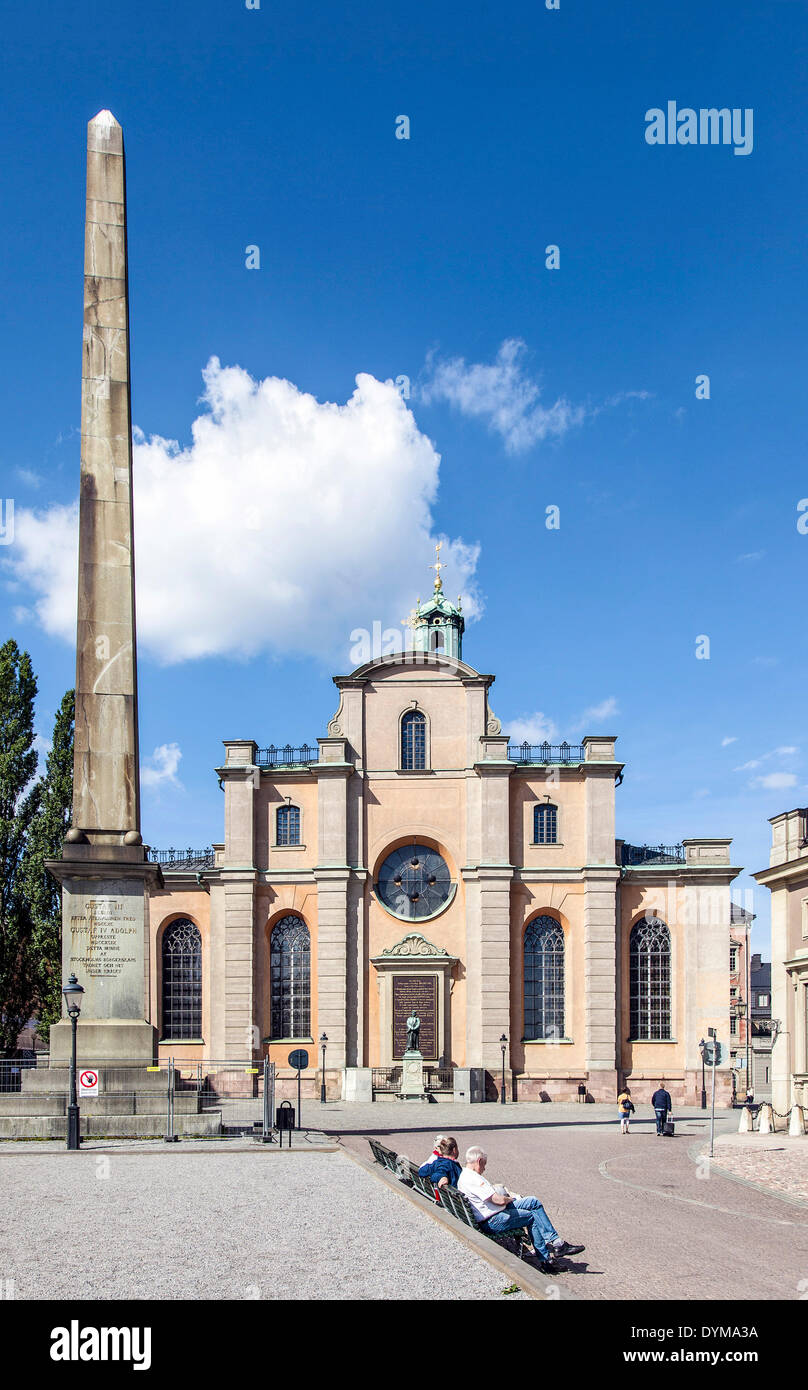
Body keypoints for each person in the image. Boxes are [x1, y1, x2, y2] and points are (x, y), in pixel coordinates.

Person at [457, 1145, 585, 1274]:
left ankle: (557, 1243)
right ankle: (546, 1261)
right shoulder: (473, 1178)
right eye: (484, 1164)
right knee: (531, 1216)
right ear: (479, 1161)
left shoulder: (466, 1175)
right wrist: (509, 1199)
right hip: (493, 1219)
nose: (484, 1168)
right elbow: (498, 1200)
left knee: (533, 1202)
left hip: (493, 1211)